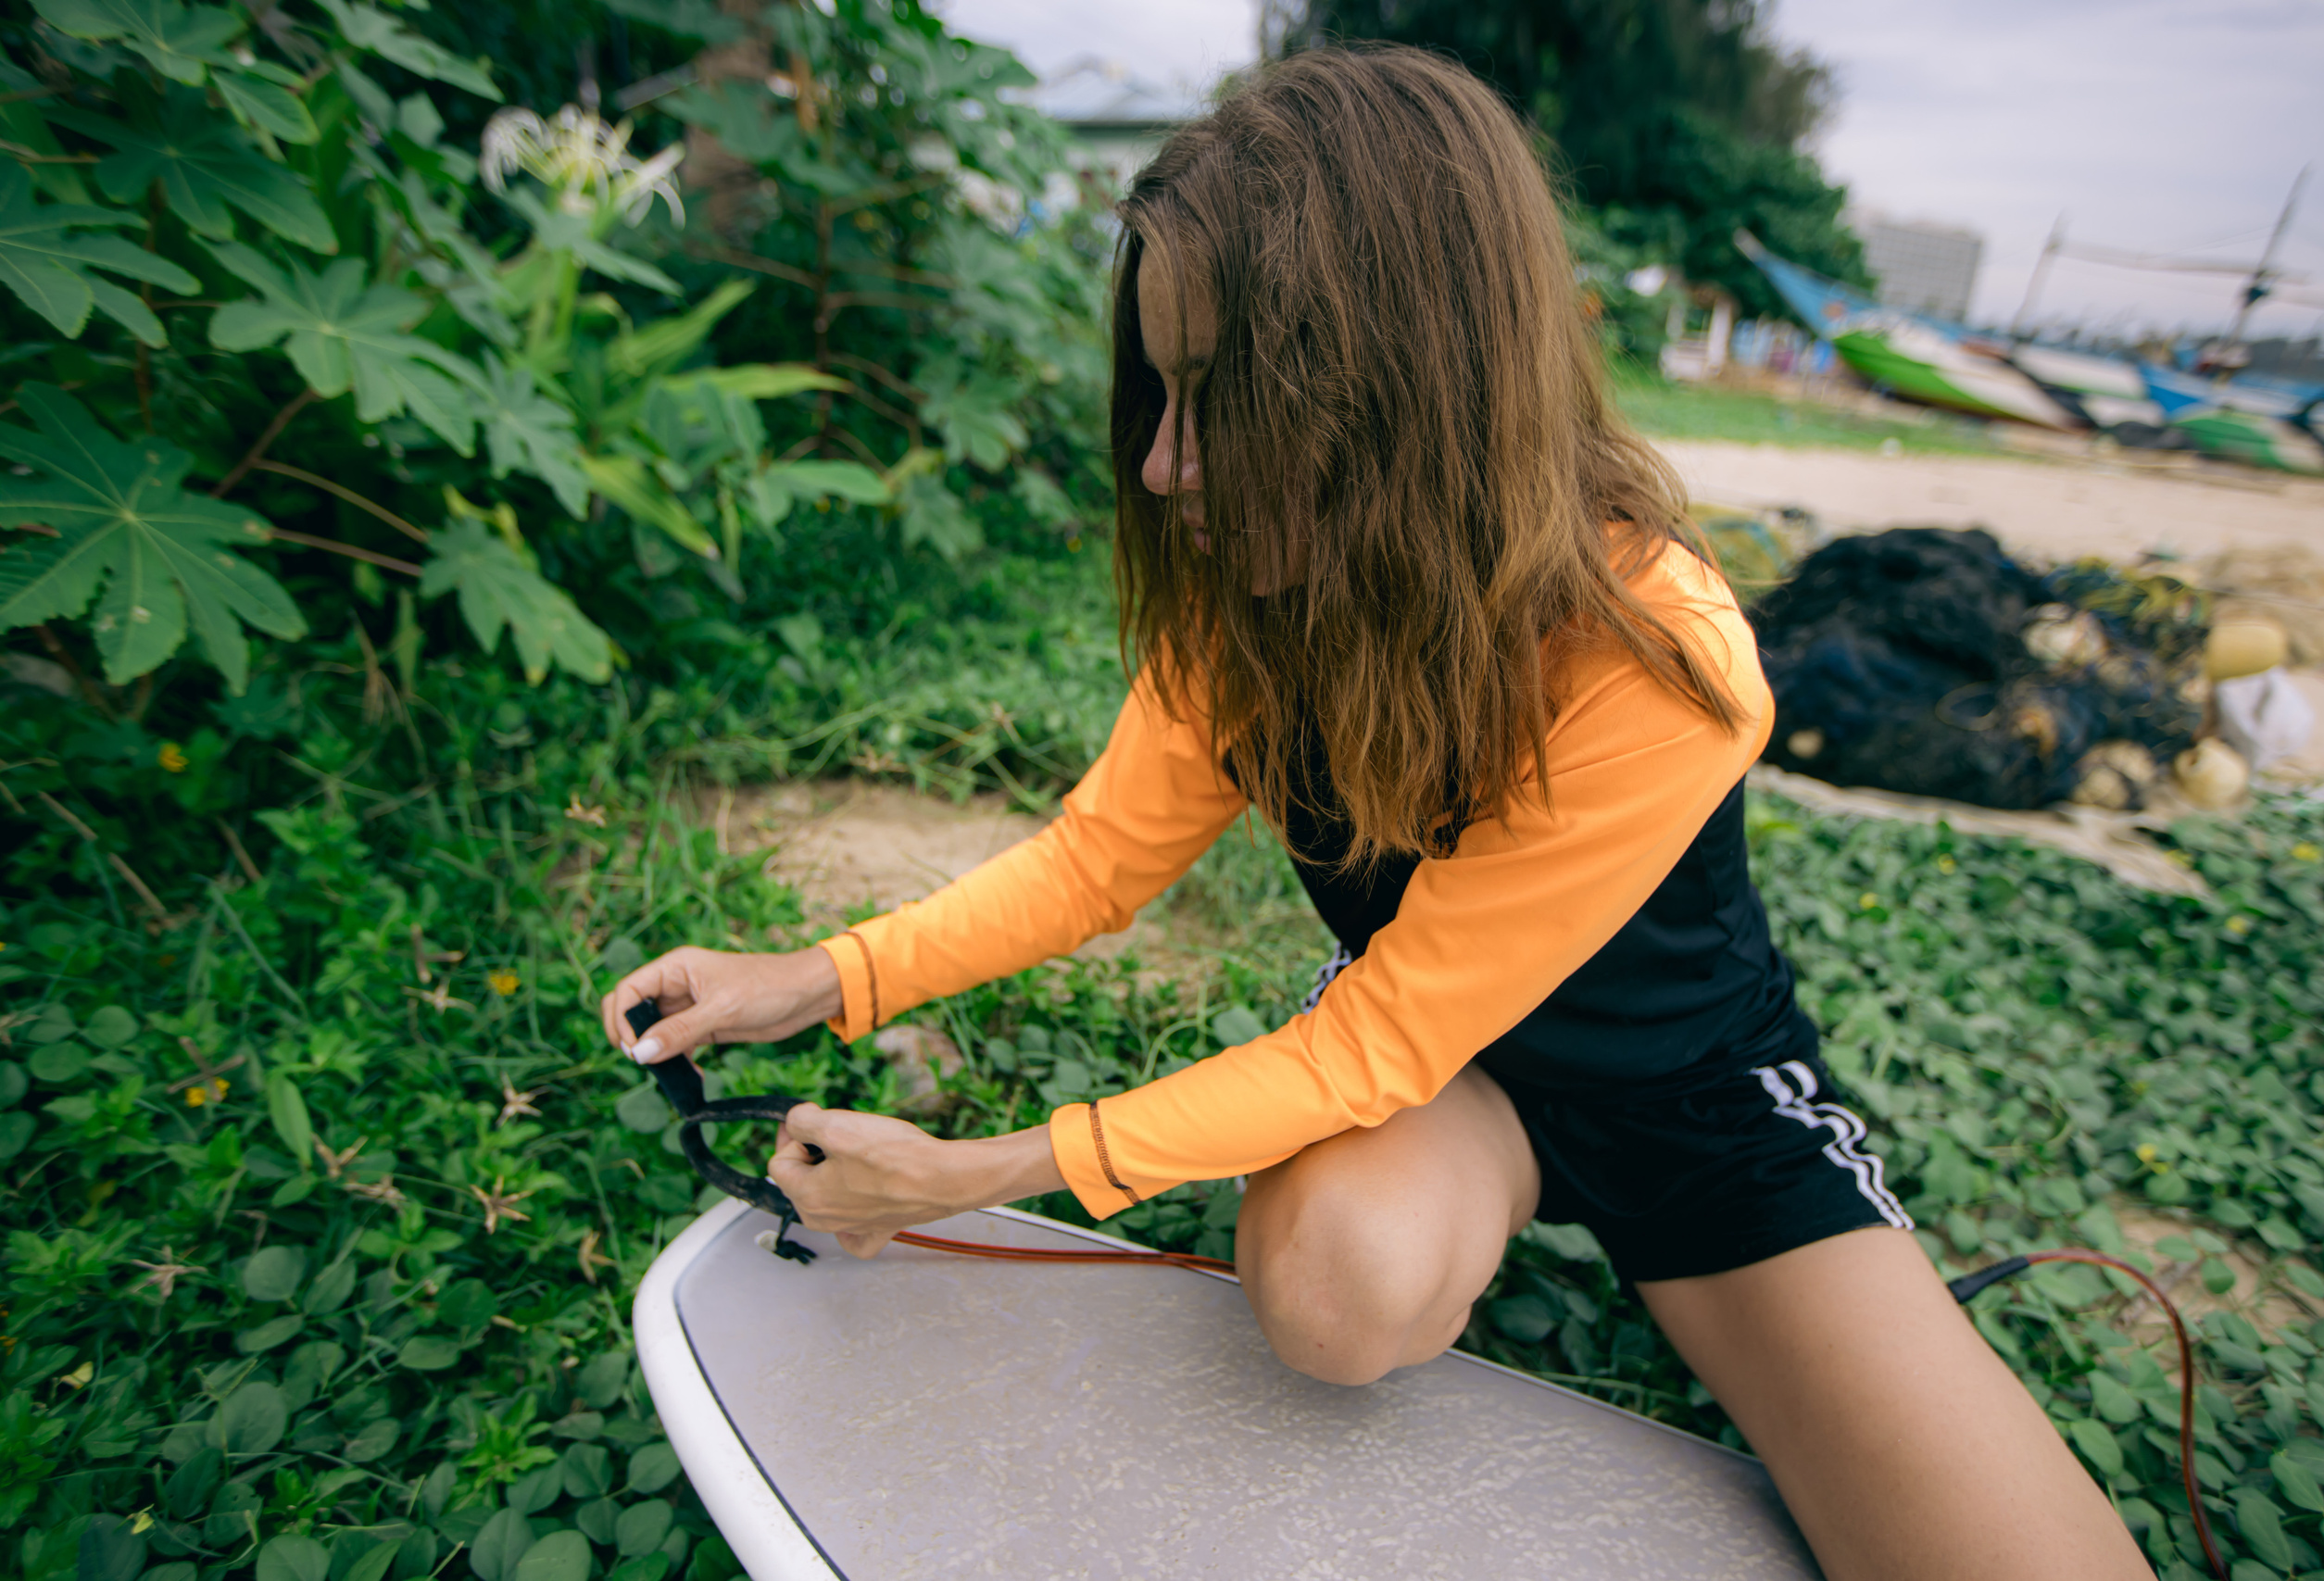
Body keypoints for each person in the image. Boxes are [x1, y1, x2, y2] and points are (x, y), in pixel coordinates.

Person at [601, 45, 2148, 1581]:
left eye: (1222, 402)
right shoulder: (1242, 601)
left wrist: (973, 1170)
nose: (1162, 463)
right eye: (1161, 392)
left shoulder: (1659, 653)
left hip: (1695, 1108)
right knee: (1337, 1301)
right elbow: (1097, 864)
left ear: (1414, 389)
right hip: (1455, 1080)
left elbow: (1364, 1047)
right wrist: (807, 979)